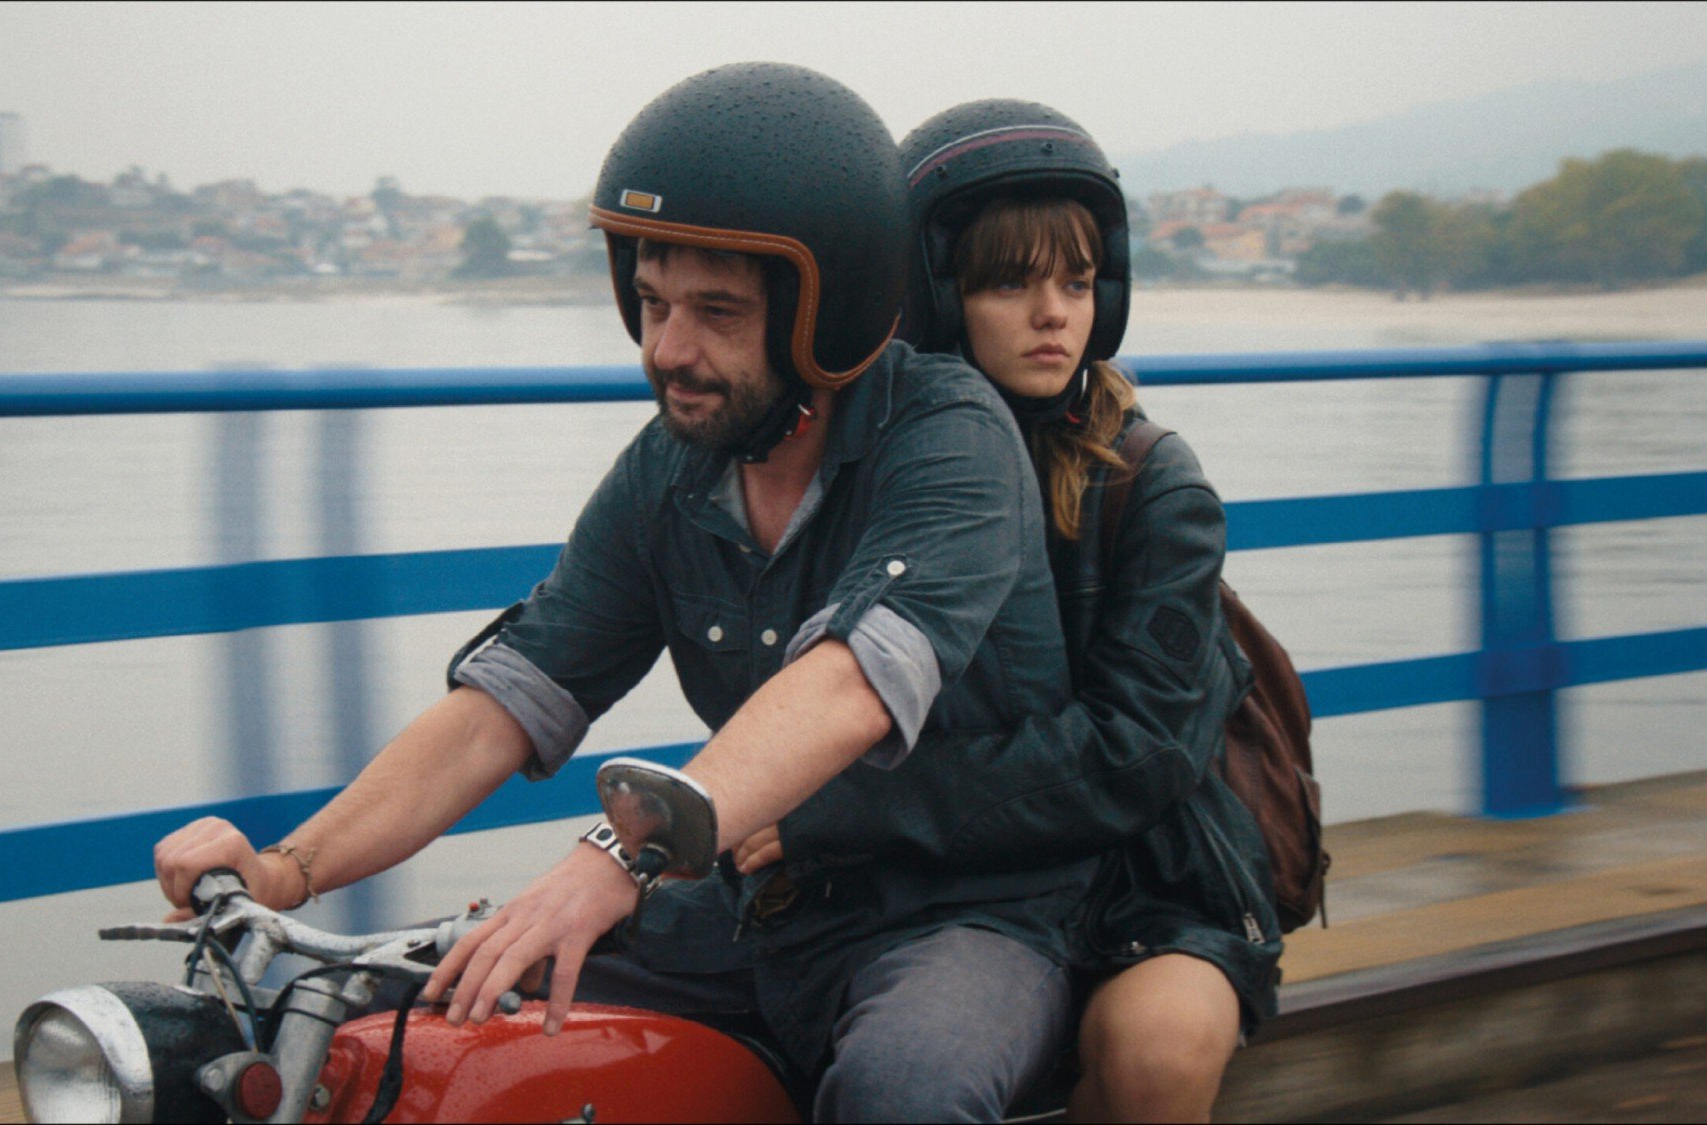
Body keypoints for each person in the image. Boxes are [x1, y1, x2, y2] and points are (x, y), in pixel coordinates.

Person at [155, 65, 1099, 1122]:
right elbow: (508, 702)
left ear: (824, 316)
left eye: (716, 312)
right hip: (757, 907)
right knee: (386, 1024)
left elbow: (846, 687)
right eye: (651, 304)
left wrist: (619, 853)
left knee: (903, 1091)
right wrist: (287, 870)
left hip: (963, 916)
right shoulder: (673, 465)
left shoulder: (949, 438)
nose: (665, 350)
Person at [893, 100, 1284, 1121]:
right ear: (935, 296)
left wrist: (848, 812)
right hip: (942, 878)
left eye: (1075, 282)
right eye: (1009, 283)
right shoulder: (886, 473)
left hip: (1145, 878)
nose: (1052, 315)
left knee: (1154, 1054)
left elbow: (1135, 752)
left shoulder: (1150, 484)